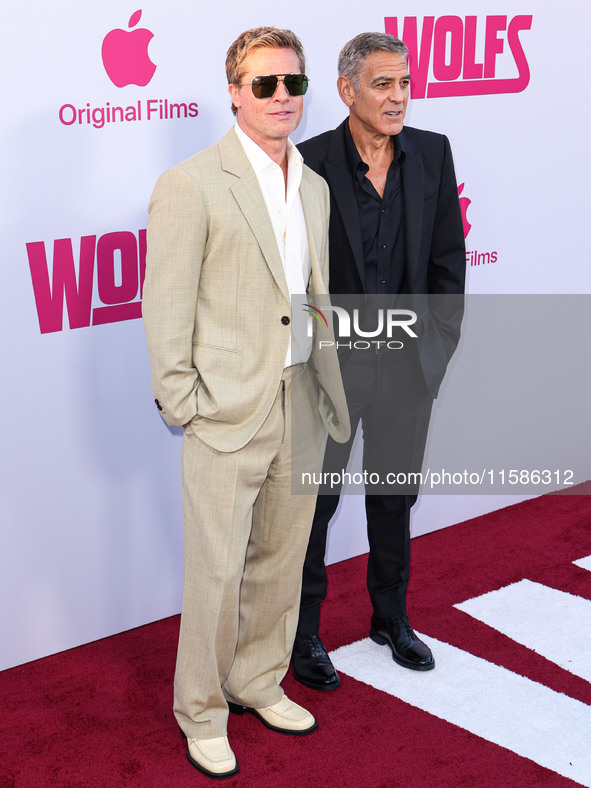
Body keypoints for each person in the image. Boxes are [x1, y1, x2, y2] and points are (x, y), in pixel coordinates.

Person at [142, 27, 349, 779]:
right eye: (264, 85)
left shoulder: (315, 184)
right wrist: (185, 403)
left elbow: (312, 296)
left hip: (301, 403)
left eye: (292, 84)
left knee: (279, 561)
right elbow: (164, 304)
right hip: (225, 410)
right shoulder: (191, 182)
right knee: (218, 574)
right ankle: (200, 710)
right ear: (233, 91)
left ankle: (257, 680)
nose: (281, 98)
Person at [291, 32, 466, 690]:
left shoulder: (431, 153)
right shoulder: (304, 164)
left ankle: (389, 618)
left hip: (406, 366)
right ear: (347, 91)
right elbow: (292, 280)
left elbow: (448, 259)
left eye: (403, 84)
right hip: (332, 371)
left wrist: (436, 346)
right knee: (315, 506)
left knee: (393, 498)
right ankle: (302, 633)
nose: (398, 97)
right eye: (382, 85)